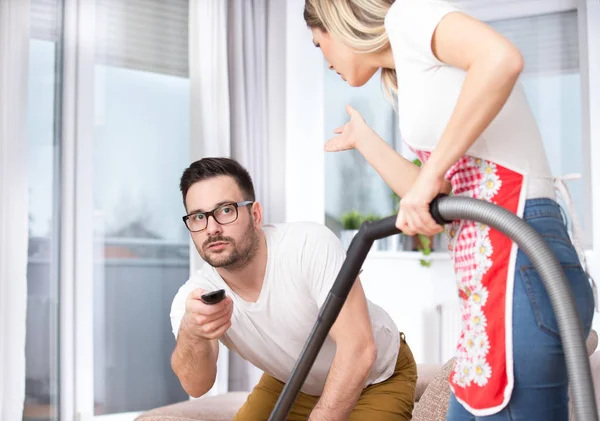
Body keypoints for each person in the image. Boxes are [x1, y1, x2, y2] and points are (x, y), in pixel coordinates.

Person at [304, 0, 595, 420]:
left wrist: (429, 175)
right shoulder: (412, 76)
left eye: (318, 43)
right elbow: (438, 199)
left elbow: (501, 59)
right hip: (494, 279)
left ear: (336, 21)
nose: (324, 58)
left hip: (520, 262)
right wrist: (366, 141)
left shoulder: (408, 15)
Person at [170, 157, 418, 421]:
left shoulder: (308, 245)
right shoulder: (194, 298)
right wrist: (192, 332)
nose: (212, 228)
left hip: (376, 377)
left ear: (255, 215)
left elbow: (359, 350)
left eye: (226, 211)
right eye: (198, 217)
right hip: (294, 379)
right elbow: (196, 386)